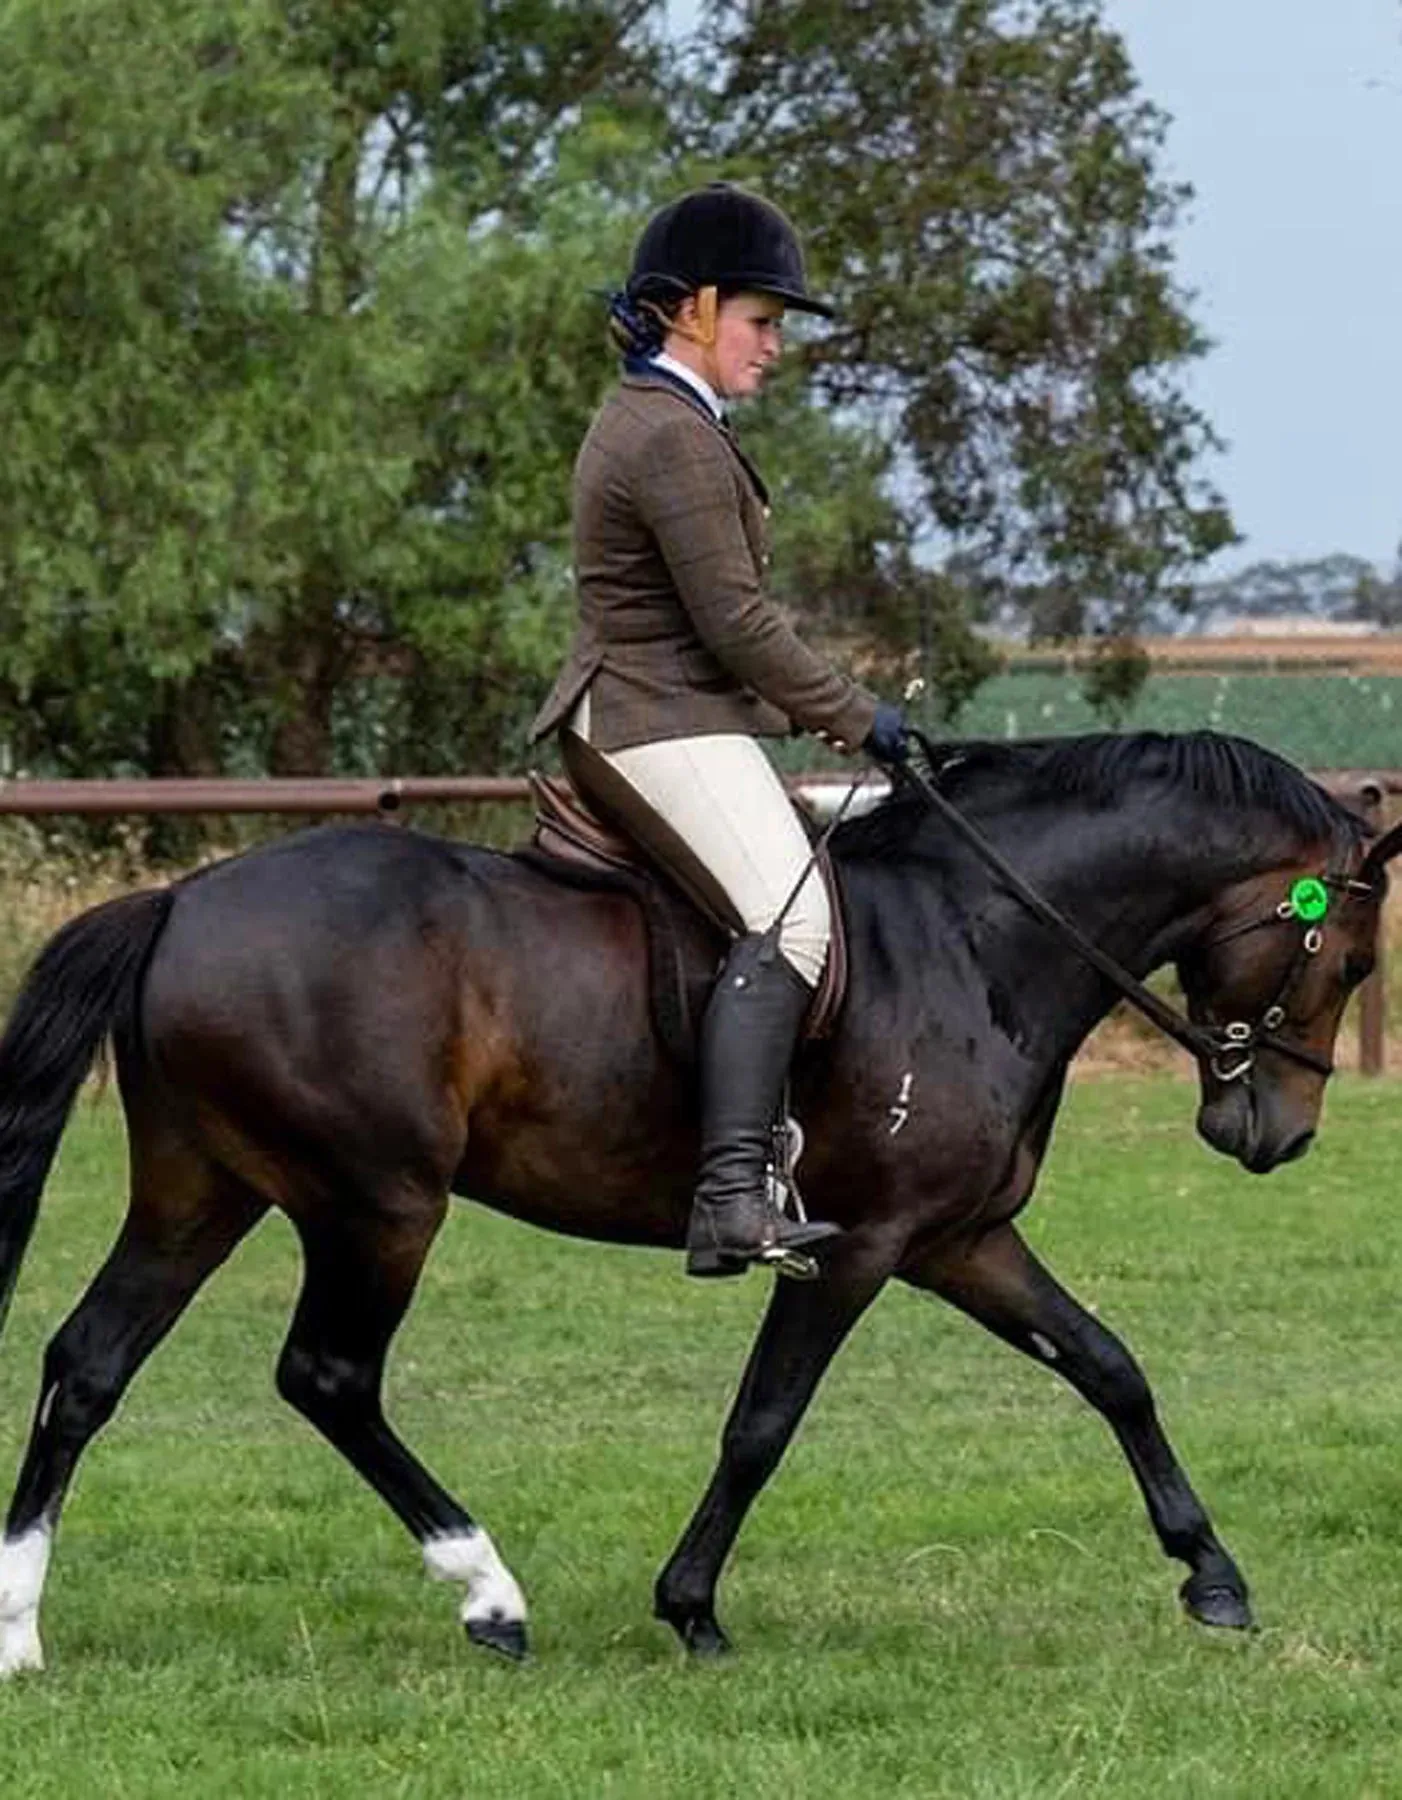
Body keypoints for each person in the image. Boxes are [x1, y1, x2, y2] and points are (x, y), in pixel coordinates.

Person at [531, 181, 909, 1278]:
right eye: (761, 320)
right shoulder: (667, 438)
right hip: (651, 718)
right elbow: (737, 622)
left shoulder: (673, 422)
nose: (776, 345)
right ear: (691, 308)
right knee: (792, 924)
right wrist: (862, 720)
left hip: (671, 713)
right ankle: (732, 1195)